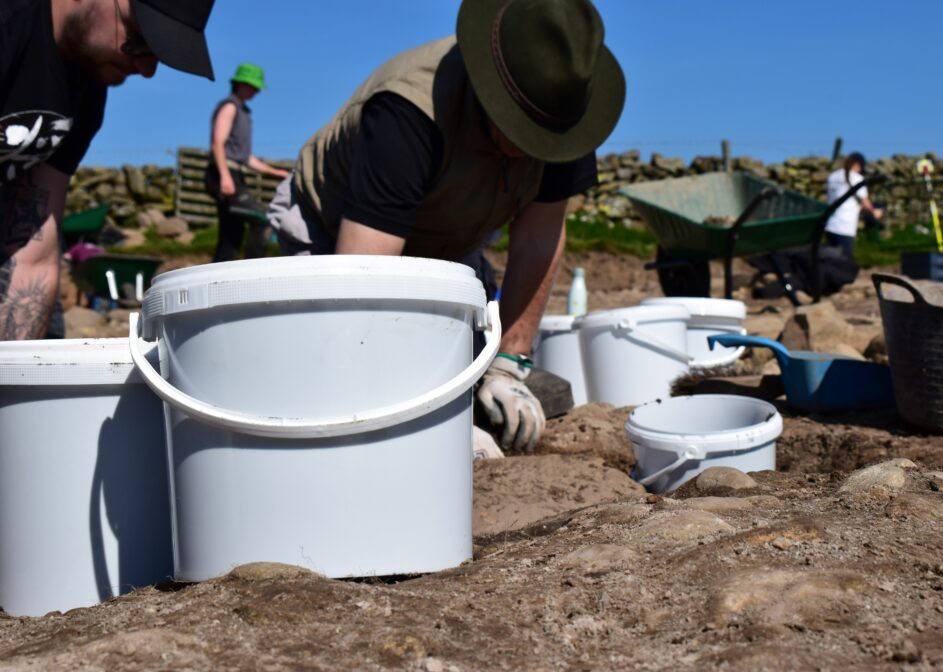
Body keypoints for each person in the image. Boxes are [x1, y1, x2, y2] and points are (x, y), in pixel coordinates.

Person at [269, 0, 625, 457]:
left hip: (450, 244)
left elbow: (538, 239)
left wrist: (507, 364)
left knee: (473, 375)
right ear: (490, 87)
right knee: (339, 387)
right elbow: (362, 287)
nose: (528, 146)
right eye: (518, 128)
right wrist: (435, 419)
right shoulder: (410, 111)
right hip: (335, 237)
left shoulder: (565, 115)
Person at [0, 0, 217, 341]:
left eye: (157, 54)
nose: (146, 69)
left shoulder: (84, 88)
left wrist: (14, 383)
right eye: (137, 39)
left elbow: (32, 256)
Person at [205, 63, 289, 262]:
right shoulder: (230, 107)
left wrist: (272, 171)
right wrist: (225, 176)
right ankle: (254, 268)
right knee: (261, 219)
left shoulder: (244, 112)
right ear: (241, 84)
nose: (256, 91)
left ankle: (221, 276)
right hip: (224, 173)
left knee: (232, 232)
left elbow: (243, 156)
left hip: (234, 173)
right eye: (253, 86)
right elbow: (218, 143)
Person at [824, 152, 884, 261]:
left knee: (831, 261)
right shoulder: (856, 178)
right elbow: (864, 201)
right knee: (844, 262)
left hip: (830, 225)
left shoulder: (833, 176)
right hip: (845, 227)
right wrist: (874, 212)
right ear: (858, 165)